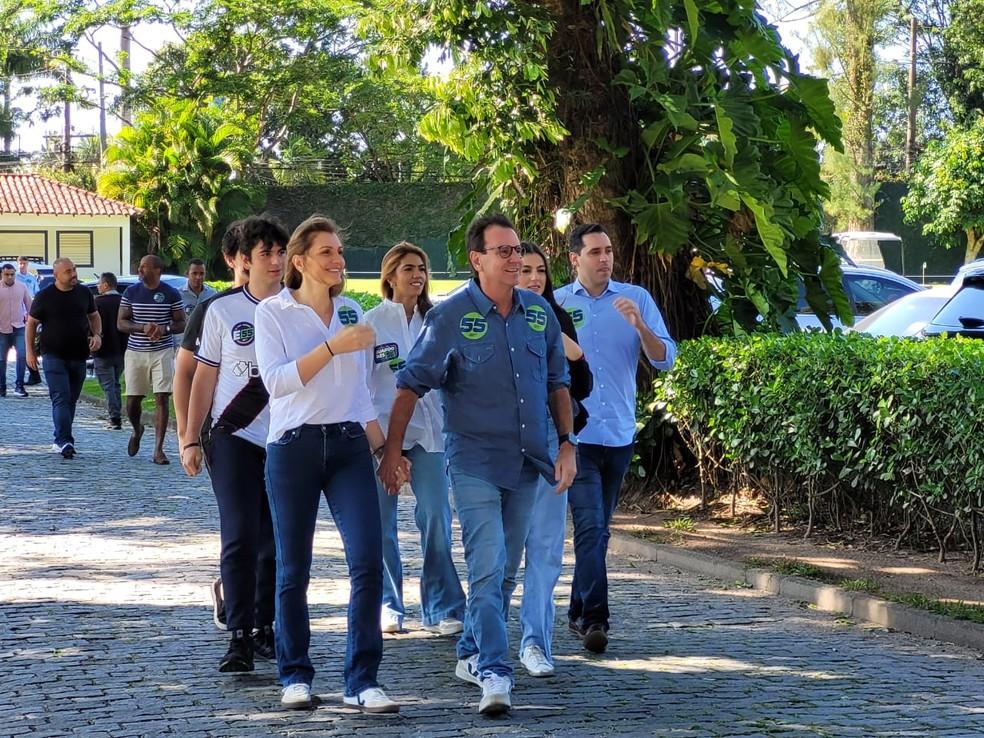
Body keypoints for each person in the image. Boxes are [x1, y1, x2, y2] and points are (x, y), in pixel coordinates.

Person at [378, 213, 575, 716]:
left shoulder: (539, 314)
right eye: (504, 252)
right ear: (477, 259)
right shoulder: (449, 317)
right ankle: (495, 672)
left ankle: (468, 651)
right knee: (487, 569)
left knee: (506, 572)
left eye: (517, 251)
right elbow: (409, 386)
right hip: (473, 465)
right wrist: (394, 451)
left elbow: (557, 383)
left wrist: (568, 444)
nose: (515, 260)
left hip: (529, 464)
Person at [255, 215, 406, 713]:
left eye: (340, 251)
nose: (338, 260)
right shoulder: (273, 313)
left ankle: (362, 680)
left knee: (367, 562)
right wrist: (330, 348)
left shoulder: (351, 312)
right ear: (299, 261)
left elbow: (360, 393)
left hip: (348, 448)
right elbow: (276, 382)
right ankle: (295, 675)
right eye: (327, 252)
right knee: (293, 568)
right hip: (293, 448)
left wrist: (388, 450)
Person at [554, 223, 677, 654]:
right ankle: (595, 620)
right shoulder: (558, 304)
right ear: (575, 258)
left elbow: (665, 358)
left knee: (599, 531)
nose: (604, 258)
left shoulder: (636, 298)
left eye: (608, 251)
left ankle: (574, 608)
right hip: (577, 436)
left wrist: (640, 325)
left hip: (620, 432)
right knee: (589, 528)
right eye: (594, 252)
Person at [181, 215, 288, 674]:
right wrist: (190, 436)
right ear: (244, 261)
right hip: (233, 437)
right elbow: (202, 376)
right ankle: (239, 635)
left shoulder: (298, 307)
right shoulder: (222, 311)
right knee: (241, 534)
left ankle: (267, 627)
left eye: (281, 252)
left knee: (275, 541)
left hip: (285, 438)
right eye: (265, 253)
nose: (276, 261)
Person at [363, 242, 466, 636]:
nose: (417, 275)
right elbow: (360, 386)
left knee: (436, 515)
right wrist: (378, 443)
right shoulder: (372, 323)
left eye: (421, 268)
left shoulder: (439, 320)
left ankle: (442, 605)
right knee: (379, 521)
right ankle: (389, 604)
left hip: (431, 433)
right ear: (389, 275)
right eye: (408, 268)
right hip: (382, 433)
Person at [511, 241, 593, 677]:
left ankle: (535, 643)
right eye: (524, 270)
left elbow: (582, 384)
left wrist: (569, 349)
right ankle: (479, 645)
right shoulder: (485, 319)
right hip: (500, 443)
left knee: (544, 549)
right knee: (499, 553)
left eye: (540, 270)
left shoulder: (556, 318)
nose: (534, 278)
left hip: (550, 436)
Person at [174, 222, 249, 631]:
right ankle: (236, 601)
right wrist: (188, 436)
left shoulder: (286, 304)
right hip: (226, 430)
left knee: (269, 530)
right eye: (249, 256)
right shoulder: (213, 309)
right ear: (232, 260)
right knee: (241, 525)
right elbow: (186, 374)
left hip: (275, 431)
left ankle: (255, 607)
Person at [25, 258, 102, 458]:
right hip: (53, 354)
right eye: (68, 271)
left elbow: (94, 316)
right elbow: (31, 323)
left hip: (78, 355)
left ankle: (61, 437)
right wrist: (30, 352)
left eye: (74, 269)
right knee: (61, 397)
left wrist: (97, 335)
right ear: (57, 275)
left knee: (71, 400)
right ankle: (65, 441)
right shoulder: (45, 296)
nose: (73, 273)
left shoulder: (84, 293)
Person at [117, 255, 186, 465]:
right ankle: (137, 429)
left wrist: (163, 329)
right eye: (139, 267)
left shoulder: (170, 293)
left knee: (162, 397)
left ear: (157, 270)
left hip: (162, 351)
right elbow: (121, 322)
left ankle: (158, 449)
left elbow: (181, 322)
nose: (140, 271)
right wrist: (142, 327)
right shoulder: (131, 292)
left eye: (144, 267)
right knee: (132, 400)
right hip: (136, 351)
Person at [93, 273, 126, 429]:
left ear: (106, 284)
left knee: (108, 385)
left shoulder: (96, 303)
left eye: (99, 283)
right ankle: (116, 412)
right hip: (122, 349)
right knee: (115, 383)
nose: (98, 286)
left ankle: (114, 417)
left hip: (103, 349)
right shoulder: (124, 302)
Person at [0, 263, 32, 398]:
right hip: (2, 329)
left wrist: (31, 322)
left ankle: (19, 385)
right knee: (1, 359)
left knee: (22, 356)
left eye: (12, 274)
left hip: (19, 327)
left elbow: (29, 306)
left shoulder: (22, 287)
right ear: (2, 274)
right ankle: (2, 387)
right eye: (7, 274)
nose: (9, 277)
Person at [16, 256, 42, 386]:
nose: (22, 265)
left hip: (30, 315)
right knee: (23, 347)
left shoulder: (31, 278)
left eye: (24, 263)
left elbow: (36, 294)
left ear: (27, 264)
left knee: (28, 346)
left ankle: (34, 374)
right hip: (17, 315)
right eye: (20, 263)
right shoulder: (13, 277)